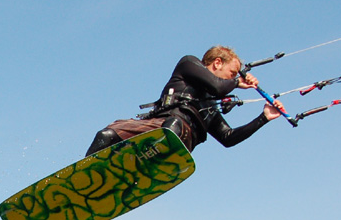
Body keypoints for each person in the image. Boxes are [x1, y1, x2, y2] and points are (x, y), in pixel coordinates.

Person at [85, 46, 287, 156]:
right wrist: (237, 82)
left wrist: (264, 117)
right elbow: (218, 86)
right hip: (156, 126)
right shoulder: (188, 64)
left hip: (179, 135)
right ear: (217, 62)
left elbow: (228, 138)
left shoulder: (209, 107)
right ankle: (87, 177)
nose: (232, 78)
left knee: (173, 128)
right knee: (106, 134)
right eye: (231, 72)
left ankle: (149, 161)